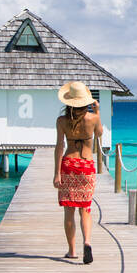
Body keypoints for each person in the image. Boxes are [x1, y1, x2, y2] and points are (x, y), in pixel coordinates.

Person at [53, 81, 103, 263]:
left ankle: (72, 250)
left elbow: (59, 147)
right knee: (85, 209)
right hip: (86, 166)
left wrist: (57, 173)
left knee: (69, 210)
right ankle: (87, 242)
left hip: (69, 164)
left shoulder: (62, 121)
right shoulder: (92, 119)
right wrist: (97, 111)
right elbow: (99, 134)